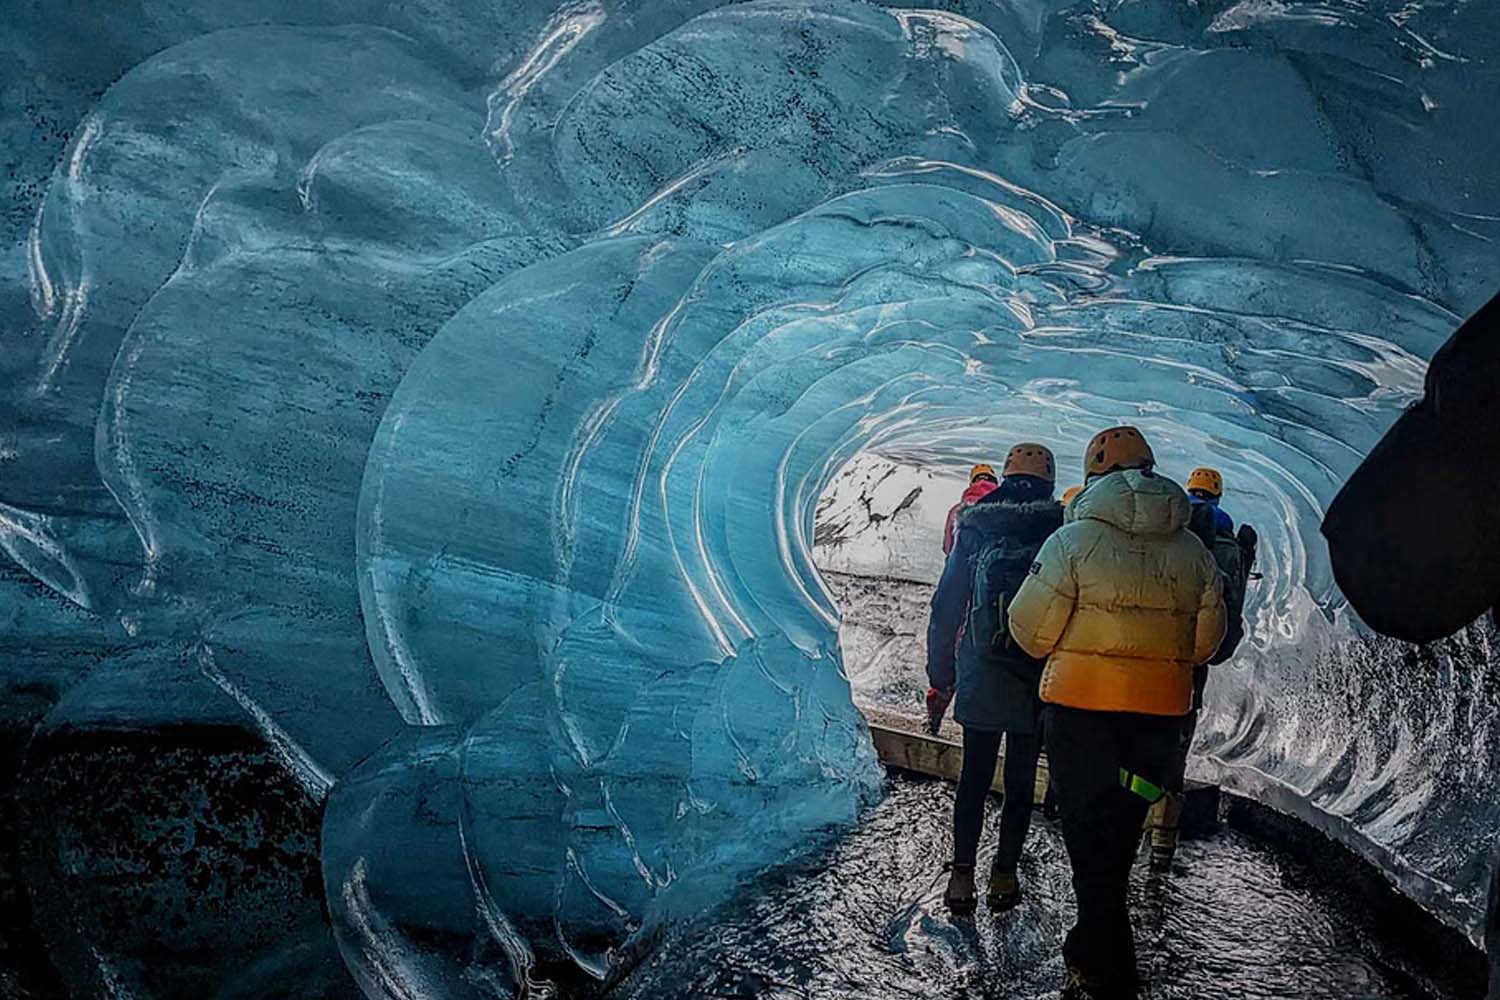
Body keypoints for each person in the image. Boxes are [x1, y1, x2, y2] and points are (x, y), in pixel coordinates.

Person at [1007, 426, 1225, 998]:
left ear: (1094, 474)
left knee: (1086, 836)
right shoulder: (1195, 552)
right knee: (1121, 834)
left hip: (1082, 718)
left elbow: (1031, 633)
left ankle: (1106, 964)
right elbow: (1206, 644)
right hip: (1155, 724)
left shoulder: (1071, 542)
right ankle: (1094, 946)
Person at [926, 443, 1064, 915]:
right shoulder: (1061, 529)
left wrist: (941, 674)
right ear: (1048, 481)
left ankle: (962, 876)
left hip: (982, 666)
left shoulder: (976, 525)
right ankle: (1004, 874)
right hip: (1037, 671)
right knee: (1021, 779)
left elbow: (946, 606)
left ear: (1005, 476)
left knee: (975, 774)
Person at [1150, 467, 1258, 864]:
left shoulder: (1169, 528)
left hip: (1147, 650)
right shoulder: (1227, 544)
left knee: (1137, 736)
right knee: (1177, 740)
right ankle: (1163, 835)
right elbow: (1229, 615)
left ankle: (1122, 824)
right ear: (1218, 495)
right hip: (1192, 659)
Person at [944, 463, 1001, 555]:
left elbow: (947, 548)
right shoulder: (1007, 506)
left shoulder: (956, 510)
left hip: (962, 563)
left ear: (972, 483)